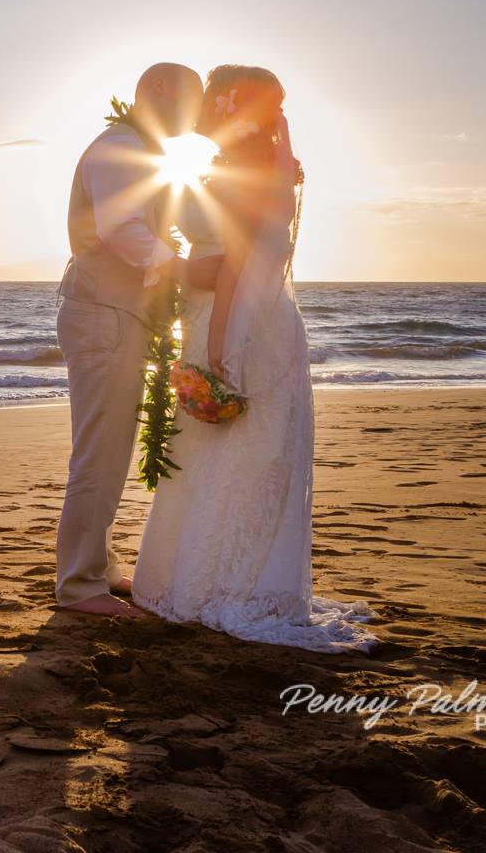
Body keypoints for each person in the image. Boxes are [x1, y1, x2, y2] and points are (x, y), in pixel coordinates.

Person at [131, 65, 375, 652]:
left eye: (211, 101)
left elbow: (238, 261)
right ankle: (215, 577)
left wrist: (218, 343)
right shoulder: (262, 163)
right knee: (232, 450)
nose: (199, 112)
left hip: (238, 321)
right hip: (244, 318)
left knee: (237, 447)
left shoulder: (249, 169)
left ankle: (222, 586)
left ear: (228, 105)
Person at [53, 62, 205, 617]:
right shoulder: (119, 145)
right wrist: (187, 271)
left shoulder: (138, 148)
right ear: (159, 88)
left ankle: (102, 568)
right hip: (103, 314)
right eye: (195, 97)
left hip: (118, 315)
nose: (198, 111)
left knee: (111, 450)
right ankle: (78, 587)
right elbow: (122, 229)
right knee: (99, 454)